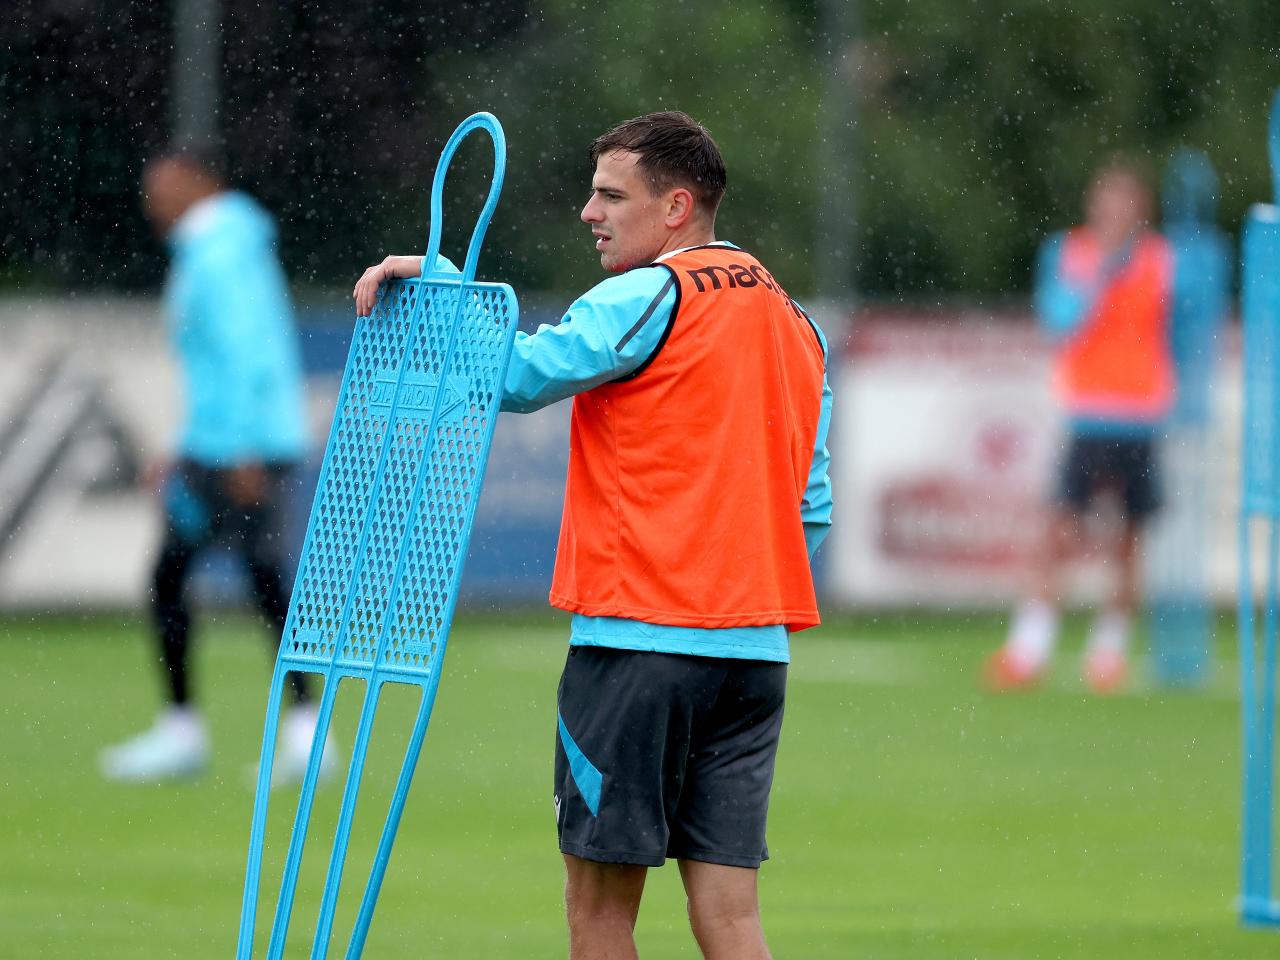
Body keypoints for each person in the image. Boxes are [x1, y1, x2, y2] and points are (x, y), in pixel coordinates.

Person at [353, 111, 833, 960]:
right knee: (731, 918)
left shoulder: (650, 291)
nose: (589, 211)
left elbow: (515, 376)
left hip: (638, 652)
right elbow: (812, 509)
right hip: (755, 660)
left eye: (612, 194)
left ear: (677, 207)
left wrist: (441, 283)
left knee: (601, 915)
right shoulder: (798, 322)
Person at [100, 149, 333, 783]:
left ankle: (277, 732)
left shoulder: (218, 250)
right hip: (222, 443)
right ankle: (294, 732)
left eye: (165, 186)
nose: (154, 201)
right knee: (225, 578)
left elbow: (242, 355)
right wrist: (184, 446)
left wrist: (242, 450)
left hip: (239, 448)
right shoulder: (225, 243)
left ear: (202, 184)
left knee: (231, 578)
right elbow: (224, 361)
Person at [985, 161, 1175, 695]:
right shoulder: (1071, 253)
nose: (1115, 212)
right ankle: (1030, 649)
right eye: (1107, 201)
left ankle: (1108, 652)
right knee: (1058, 533)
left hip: (1140, 415)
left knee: (1129, 542)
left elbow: (1178, 334)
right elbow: (1059, 321)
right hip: (1087, 413)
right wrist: (1100, 277)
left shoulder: (1162, 260)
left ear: (1141, 210)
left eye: (1126, 203)